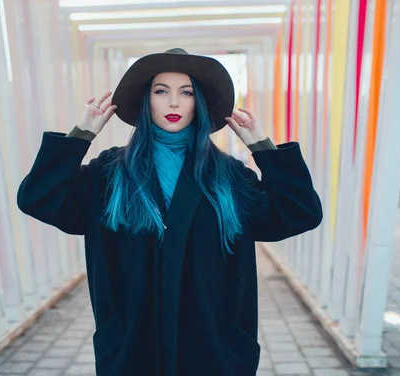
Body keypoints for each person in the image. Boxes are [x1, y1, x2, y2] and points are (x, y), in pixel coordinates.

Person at [17, 48, 322, 376]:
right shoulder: (110, 173)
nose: (174, 103)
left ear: (199, 102)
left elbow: (299, 211)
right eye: (161, 91)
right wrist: (80, 136)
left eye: (186, 92)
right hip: (133, 352)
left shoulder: (227, 175)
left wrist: (263, 148)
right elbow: (40, 198)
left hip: (213, 353)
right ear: (145, 101)